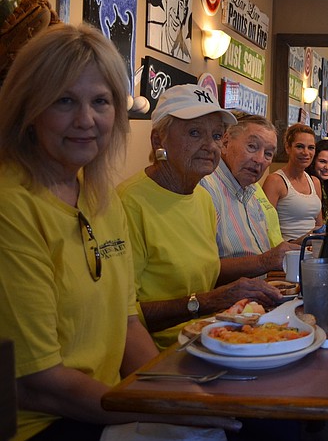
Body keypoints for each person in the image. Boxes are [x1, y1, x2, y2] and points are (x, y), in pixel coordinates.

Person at [0, 25, 231, 439]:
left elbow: (129, 325)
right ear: (28, 108)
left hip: (108, 403)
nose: (86, 119)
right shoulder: (11, 207)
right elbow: (38, 384)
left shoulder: (99, 198)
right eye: (65, 100)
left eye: (101, 101)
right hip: (45, 424)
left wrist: (173, 390)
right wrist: (170, 408)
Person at [119, 85, 283, 350]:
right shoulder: (128, 203)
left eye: (217, 135)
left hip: (214, 340)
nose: (210, 146)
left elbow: (208, 274)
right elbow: (123, 318)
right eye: (195, 133)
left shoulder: (203, 199)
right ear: (158, 141)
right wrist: (206, 302)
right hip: (164, 352)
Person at [200, 113, 298, 269]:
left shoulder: (253, 190)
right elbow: (202, 270)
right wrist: (265, 262)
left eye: (268, 154)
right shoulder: (205, 188)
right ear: (225, 143)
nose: (259, 160)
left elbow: (263, 253)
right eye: (252, 147)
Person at [263, 124, 323, 243]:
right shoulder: (275, 181)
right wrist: (297, 242)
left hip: (313, 250)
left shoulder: (315, 182)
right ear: (287, 148)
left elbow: (319, 226)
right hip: (287, 252)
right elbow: (265, 229)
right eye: (300, 147)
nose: (306, 152)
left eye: (311, 147)